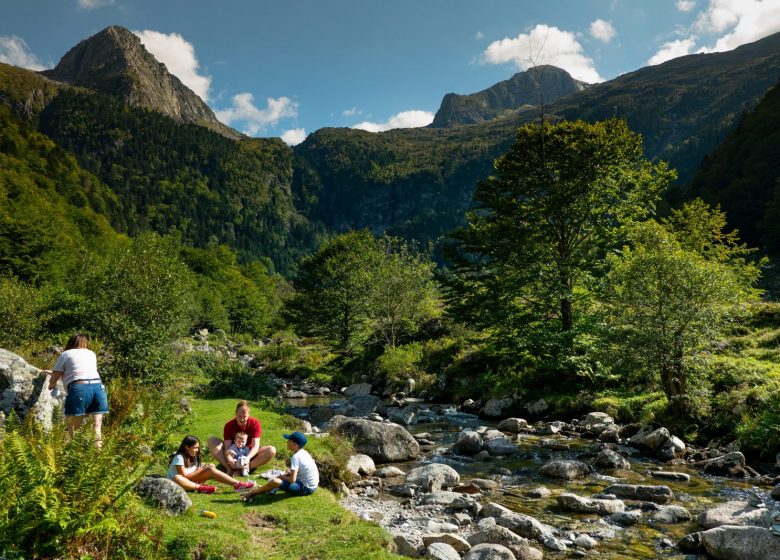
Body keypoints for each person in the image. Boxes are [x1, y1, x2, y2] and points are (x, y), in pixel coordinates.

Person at [43, 333, 108, 445]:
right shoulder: (91, 354)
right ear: (86, 343)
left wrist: (51, 384)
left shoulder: (66, 354)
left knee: (71, 428)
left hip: (79, 389)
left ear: (71, 342)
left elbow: (57, 375)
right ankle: (98, 457)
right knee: (97, 428)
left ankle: (69, 454)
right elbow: (82, 371)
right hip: (98, 388)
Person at [242, 431, 318, 500]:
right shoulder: (304, 453)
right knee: (285, 474)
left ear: (295, 445)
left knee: (276, 481)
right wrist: (285, 475)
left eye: (289, 441)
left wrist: (282, 477)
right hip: (311, 485)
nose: (287, 442)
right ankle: (265, 488)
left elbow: (292, 480)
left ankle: (252, 493)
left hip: (306, 488)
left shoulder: (296, 457)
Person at [167, 435, 256, 493]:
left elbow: (195, 470)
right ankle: (201, 488)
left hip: (190, 483)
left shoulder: (193, 456)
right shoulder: (179, 457)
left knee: (211, 467)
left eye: (198, 448)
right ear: (187, 447)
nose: (197, 450)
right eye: (195, 448)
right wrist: (203, 469)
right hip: (178, 483)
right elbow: (184, 477)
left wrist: (205, 466)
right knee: (177, 477)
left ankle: (237, 485)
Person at [208, 400, 276, 474]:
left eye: (244, 416)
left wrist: (247, 458)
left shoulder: (254, 423)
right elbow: (227, 447)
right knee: (212, 440)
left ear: (249, 414)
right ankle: (229, 468)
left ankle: (244, 468)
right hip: (234, 452)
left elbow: (255, 446)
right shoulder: (229, 425)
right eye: (239, 416)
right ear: (235, 413)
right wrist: (230, 459)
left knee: (271, 450)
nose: (242, 419)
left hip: (249, 453)